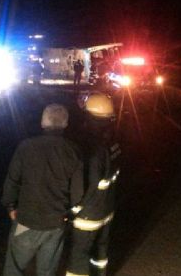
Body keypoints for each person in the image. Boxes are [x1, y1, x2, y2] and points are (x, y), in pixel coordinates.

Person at [1, 104, 84, 276]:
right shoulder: (73, 151)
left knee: (13, 270)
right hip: (55, 224)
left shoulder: (26, 147)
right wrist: (65, 212)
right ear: (65, 124)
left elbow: (12, 181)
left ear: (42, 122)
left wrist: (10, 207)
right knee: (47, 272)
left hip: (27, 220)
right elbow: (78, 193)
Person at [66, 92, 121, 276]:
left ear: (89, 117)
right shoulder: (113, 143)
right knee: (100, 252)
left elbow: (87, 185)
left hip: (89, 215)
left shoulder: (93, 149)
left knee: (78, 255)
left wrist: (73, 209)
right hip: (107, 210)